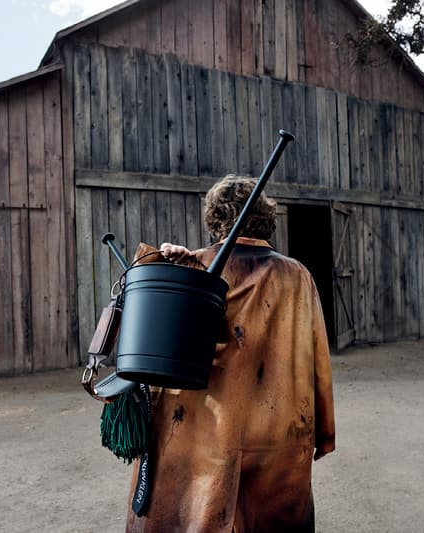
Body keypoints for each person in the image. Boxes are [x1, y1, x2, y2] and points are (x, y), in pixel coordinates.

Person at [125, 175, 335, 533]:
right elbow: (316, 357)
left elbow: (147, 343)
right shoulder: (298, 276)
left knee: (194, 518)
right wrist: (324, 433)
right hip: (277, 440)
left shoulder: (194, 268)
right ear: (265, 217)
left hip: (199, 438)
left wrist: (162, 265)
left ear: (215, 218)